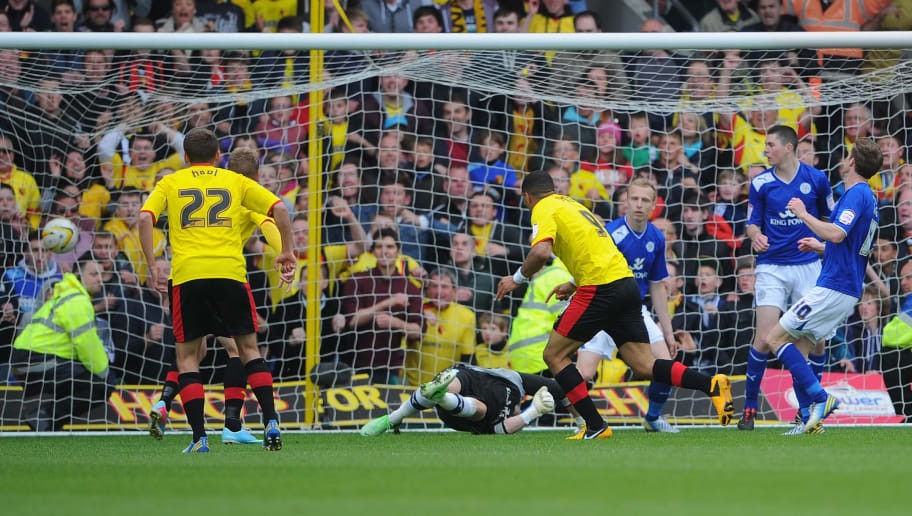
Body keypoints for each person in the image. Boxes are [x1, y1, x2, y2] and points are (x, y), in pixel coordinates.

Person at [495, 171, 733, 440]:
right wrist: (574, 283)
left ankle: (595, 425)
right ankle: (711, 383)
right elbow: (595, 250)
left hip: (599, 289)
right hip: (626, 285)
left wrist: (516, 279)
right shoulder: (572, 204)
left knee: (554, 355)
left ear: (527, 197)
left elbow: (540, 252)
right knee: (644, 365)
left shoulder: (543, 207)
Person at [138, 127, 296, 453]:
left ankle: (194, 432)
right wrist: (287, 254)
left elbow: (144, 217)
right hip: (228, 274)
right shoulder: (238, 186)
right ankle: (259, 422)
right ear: (218, 157)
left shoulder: (171, 182)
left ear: (185, 157)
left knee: (190, 356)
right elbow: (277, 213)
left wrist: (152, 265)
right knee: (246, 351)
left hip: (188, 275)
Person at [768, 136, 882, 434]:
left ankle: (821, 398)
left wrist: (803, 214)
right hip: (845, 285)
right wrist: (820, 248)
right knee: (800, 348)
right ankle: (810, 420)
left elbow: (838, 234)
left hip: (835, 286)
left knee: (775, 339)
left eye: (847, 156)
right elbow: (848, 244)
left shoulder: (856, 193)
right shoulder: (868, 196)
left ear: (853, 162)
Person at [739, 125, 833, 431]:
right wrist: (756, 236)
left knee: (814, 341)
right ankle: (750, 407)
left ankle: (809, 413)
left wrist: (820, 244)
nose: (765, 150)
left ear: (789, 147)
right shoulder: (761, 182)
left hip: (808, 265)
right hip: (771, 267)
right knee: (766, 337)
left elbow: (829, 221)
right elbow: (751, 223)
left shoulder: (816, 179)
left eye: (770, 145)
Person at [576, 179, 681, 433]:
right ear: (626, 200)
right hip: (603, 309)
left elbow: (656, 286)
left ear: (653, 205)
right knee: (583, 374)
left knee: (666, 366)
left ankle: (653, 418)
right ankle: (583, 421)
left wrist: (668, 331)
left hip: (634, 311)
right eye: (634, 199)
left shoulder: (656, 237)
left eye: (645, 200)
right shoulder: (611, 233)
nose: (638, 204)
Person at [10, 259, 111, 431]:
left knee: (77, 379)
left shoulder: (64, 295)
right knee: (104, 384)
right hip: (38, 360)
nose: (99, 279)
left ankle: (44, 418)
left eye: (101, 274)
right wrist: (104, 371)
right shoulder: (77, 300)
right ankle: (43, 417)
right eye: (94, 274)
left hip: (24, 359)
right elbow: (87, 344)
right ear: (79, 276)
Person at [360, 365, 559, 436]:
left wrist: (535, 411)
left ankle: (440, 396)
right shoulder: (517, 383)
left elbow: (504, 430)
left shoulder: (498, 421)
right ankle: (438, 392)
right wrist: (580, 420)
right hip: (469, 377)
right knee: (453, 382)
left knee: (480, 411)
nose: (516, 414)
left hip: (462, 412)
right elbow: (560, 389)